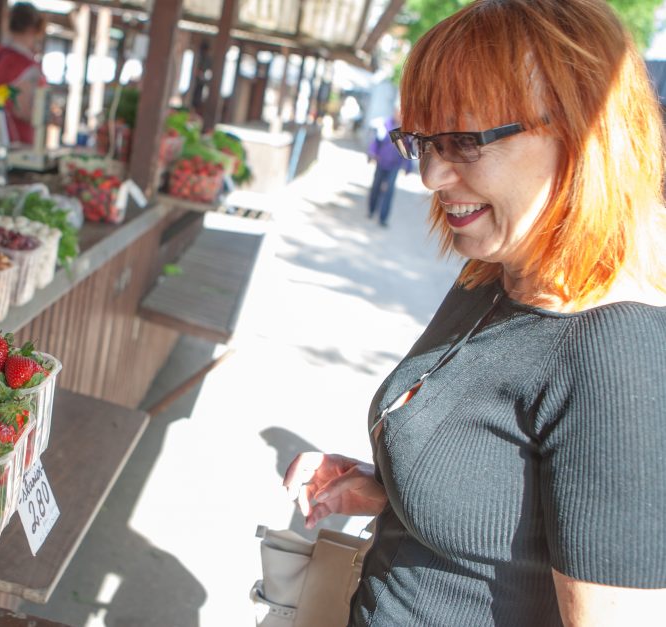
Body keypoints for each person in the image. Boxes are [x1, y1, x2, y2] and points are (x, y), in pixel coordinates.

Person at [282, 1, 666, 625]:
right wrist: (393, 494)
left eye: (465, 140)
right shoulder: (495, 271)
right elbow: (510, 521)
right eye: (425, 141)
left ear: (582, 134)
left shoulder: (616, 360)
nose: (432, 173)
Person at [0, 2, 47, 151]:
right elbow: (23, 110)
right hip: (15, 142)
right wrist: (47, 115)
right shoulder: (25, 65)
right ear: (33, 29)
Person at [366, 110, 413, 227]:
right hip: (381, 161)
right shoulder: (385, 125)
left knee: (389, 191)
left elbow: (408, 149)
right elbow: (376, 142)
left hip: (395, 165)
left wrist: (408, 166)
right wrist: (372, 153)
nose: (399, 116)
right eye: (397, 113)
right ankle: (371, 210)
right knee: (376, 187)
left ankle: (383, 218)